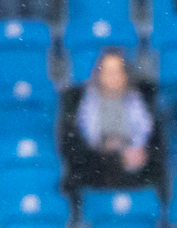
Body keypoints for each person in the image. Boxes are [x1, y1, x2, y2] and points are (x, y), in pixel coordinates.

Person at [59, 48, 166, 194]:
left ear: (126, 74)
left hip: (134, 169)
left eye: (117, 71)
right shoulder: (79, 101)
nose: (113, 77)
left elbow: (151, 138)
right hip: (95, 169)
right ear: (99, 74)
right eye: (108, 72)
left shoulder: (143, 100)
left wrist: (136, 152)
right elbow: (76, 143)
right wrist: (107, 151)